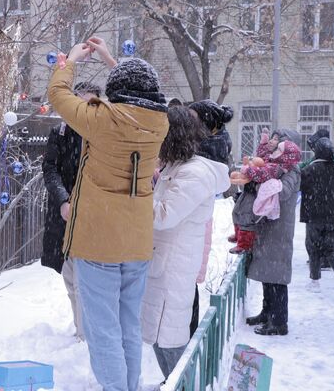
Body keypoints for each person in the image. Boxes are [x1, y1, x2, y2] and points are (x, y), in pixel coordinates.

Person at [47, 37, 168, 391]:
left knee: (103, 331)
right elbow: (141, 92)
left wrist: (71, 60)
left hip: (100, 242)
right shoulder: (159, 123)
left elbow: (58, 95)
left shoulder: (101, 119)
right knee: (129, 326)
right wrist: (112, 59)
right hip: (137, 243)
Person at [141, 106, 230, 380]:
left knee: (168, 339)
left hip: (173, 268)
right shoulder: (179, 166)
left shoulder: (195, 172)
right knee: (159, 335)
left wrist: (132, 199)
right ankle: (176, 383)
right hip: (163, 264)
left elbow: (165, 214)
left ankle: (181, 385)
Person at [41, 81, 101, 341]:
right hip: (64, 216)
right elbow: (50, 168)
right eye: (80, 101)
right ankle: (81, 331)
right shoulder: (61, 132)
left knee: (85, 281)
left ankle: (85, 335)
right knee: (69, 276)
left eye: (90, 102)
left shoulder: (103, 133)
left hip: (95, 217)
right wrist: (63, 199)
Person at [244, 129, 301, 336]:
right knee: (268, 273)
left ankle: (279, 322)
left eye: (278, 141)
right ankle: (267, 312)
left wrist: (266, 181)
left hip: (280, 228)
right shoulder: (274, 167)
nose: (274, 144)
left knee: (277, 276)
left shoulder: (292, 170)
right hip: (268, 225)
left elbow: (284, 192)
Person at [187, 99, 235, 336]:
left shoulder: (205, 149)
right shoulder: (212, 142)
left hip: (193, 220)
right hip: (197, 218)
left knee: (186, 279)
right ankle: (188, 330)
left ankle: (188, 333)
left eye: (192, 118)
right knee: (187, 278)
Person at [229, 131, 301, 255]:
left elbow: (263, 175)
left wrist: (249, 170)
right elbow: (263, 155)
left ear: (284, 154)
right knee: (236, 212)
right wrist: (263, 143)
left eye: (276, 141)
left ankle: (244, 244)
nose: (272, 143)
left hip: (255, 195)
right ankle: (238, 235)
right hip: (249, 190)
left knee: (246, 217)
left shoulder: (277, 167)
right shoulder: (272, 159)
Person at [299, 137, 334, 297]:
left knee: (314, 248)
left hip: (314, 216)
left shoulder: (308, 171)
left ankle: (315, 281)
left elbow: (302, 189)